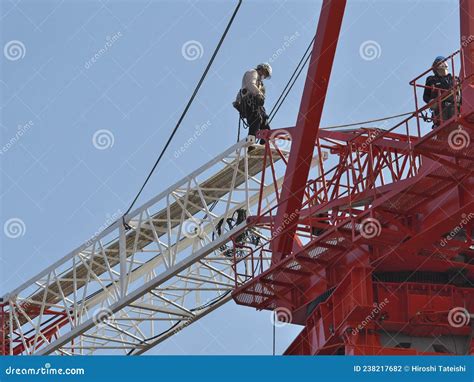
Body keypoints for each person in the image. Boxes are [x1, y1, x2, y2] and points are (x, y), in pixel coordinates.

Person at [233, 63, 272, 148]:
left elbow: (243, 90)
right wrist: (258, 94)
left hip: (255, 103)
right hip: (250, 102)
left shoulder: (260, 83)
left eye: (266, 75)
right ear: (261, 69)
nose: (264, 76)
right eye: (265, 73)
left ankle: (264, 142)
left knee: (264, 122)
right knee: (256, 120)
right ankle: (251, 145)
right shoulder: (253, 72)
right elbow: (250, 85)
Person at [423, 56, 460, 128]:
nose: (443, 63)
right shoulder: (431, 79)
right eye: (440, 62)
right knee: (445, 128)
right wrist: (430, 101)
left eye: (444, 61)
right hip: (440, 110)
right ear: (436, 67)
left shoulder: (455, 79)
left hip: (455, 108)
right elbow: (425, 96)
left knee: (456, 127)